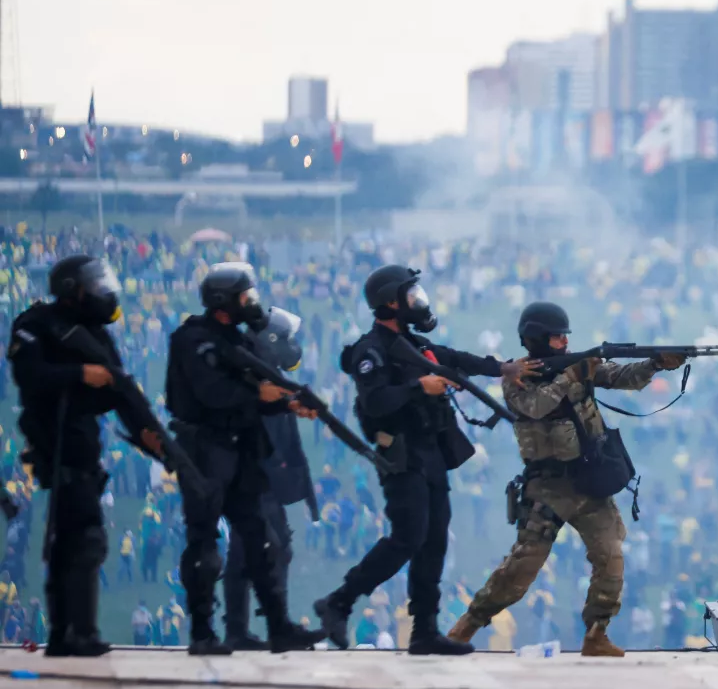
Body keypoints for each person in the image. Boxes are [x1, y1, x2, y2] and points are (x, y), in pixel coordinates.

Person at [313, 265, 536, 654]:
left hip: (430, 453)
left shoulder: (414, 345)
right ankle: (339, 601)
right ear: (389, 303)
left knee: (434, 540)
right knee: (408, 536)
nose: (418, 301)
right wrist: (420, 386)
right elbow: (375, 400)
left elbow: (457, 359)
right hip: (401, 455)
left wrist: (502, 368)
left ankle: (424, 630)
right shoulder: (372, 350)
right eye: (409, 295)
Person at [447, 301, 686, 657]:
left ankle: (597, 633)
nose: (563, 342)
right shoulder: (517, 375)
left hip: (589, 482)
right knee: (521, 568)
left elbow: (621, 377)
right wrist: (569, 377)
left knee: (610, 556)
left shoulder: (577, 365)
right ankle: (466, 626)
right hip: (546, 487)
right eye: (557, 337)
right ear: (537, 339)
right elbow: (534, 407)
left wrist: (655, 364)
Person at [166, 263, 323, 656]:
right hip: (204, 452)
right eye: (244, 297)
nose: (251, 303)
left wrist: (288, 402)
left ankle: (278, 627)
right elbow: (213, 395)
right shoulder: (194, 340)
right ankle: (204, 632)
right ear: (223, 302)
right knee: (204, 543)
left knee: (259, 542)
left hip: (238, 452)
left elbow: (256, 399)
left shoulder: (235, 342)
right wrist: (263, 396)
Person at [9, 255, 163, 656]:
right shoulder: (34, 324)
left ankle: (64, 633)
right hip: (54, 441)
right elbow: (29, 377)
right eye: (92, 284)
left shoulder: (93, 333)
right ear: (71, 289)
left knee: (69, 543)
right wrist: (79, 375)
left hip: (81, 443)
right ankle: (81, 632)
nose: (102, 290)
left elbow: (118, 388)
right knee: (86, 539)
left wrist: (150, 435)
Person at [221, 308, 320, 650]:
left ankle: (253, 628)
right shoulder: (252, 384)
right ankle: (250, 628)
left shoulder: (273, 379)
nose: (293, 346)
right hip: (249, 479)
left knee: (271, 549)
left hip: (267, 484)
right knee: (263, 548)